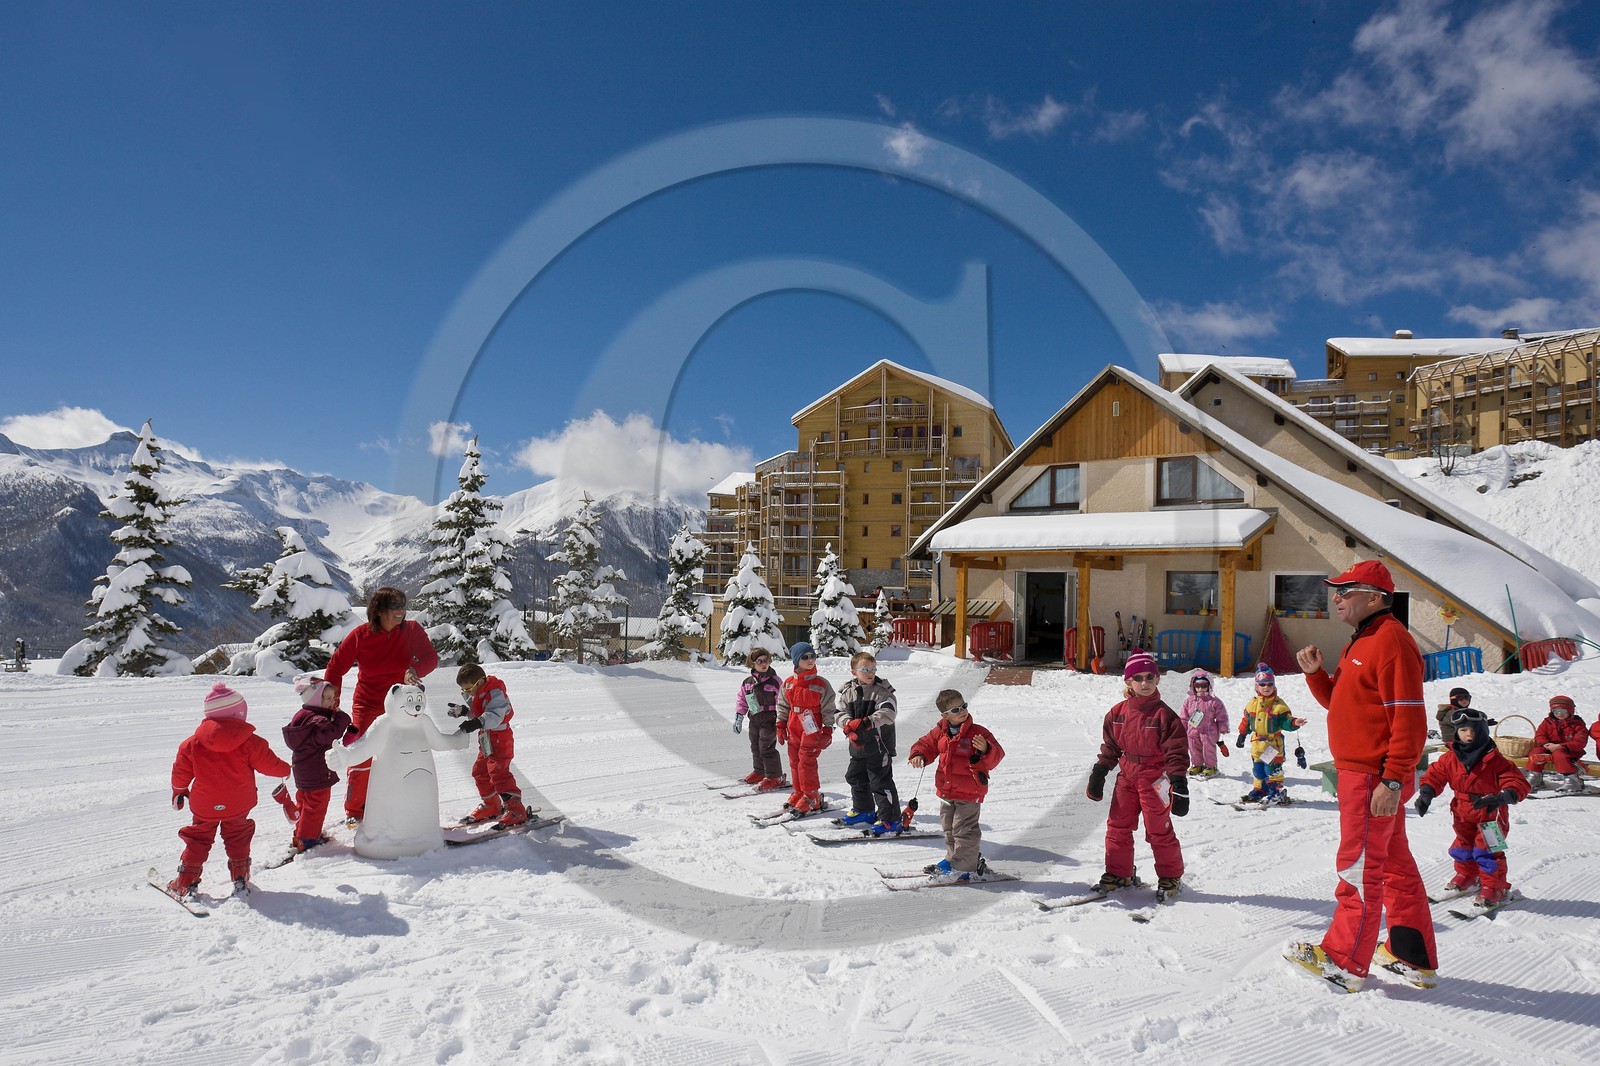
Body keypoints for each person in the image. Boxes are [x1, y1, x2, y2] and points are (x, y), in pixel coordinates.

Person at [1287, 559, 1437, 993]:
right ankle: (1412, 956)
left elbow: (1409, 720)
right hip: (1365, 774)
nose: (1336, 597)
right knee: (1394, 867)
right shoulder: (1364, 640)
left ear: (1374, 598)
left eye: (1346, 590)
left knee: (1359, 867)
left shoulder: (1391, 641)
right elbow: (1345, 706)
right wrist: (1317, 676)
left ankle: (1344, 960)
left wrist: (1392, 781)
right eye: (1336, 590)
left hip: (1373, 778)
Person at [323, 587, 439, 823]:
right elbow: (335, 668)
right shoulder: (360, 635)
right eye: (394, 606)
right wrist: (331, 704)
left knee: (406, 752)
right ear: (378, 610)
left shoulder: (412, 630)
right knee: (360, 755)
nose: (401, 611)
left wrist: (415, 670)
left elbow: (431, 658)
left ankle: (401, 803)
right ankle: (355, 812)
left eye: (403, 606)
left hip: (401, 707)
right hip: (367, 704)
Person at [166, 683, 293, 897]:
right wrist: (285, 769)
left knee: (199, 839)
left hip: (205, 805)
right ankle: (241, 878)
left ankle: (185, 881)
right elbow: (268, 763)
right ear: (239, 713)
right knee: (238, 837)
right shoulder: (250, 742)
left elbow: (181, 771)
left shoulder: (193, 743)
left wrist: (179, 791)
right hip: (238, 803)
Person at [1085, 651, 1188, 896]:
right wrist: (1100, 771)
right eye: (1138, 678)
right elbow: (1111, 747)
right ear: (1128, 681)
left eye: (1150, 677)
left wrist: (1179, 782)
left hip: (1155, 778)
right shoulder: (1117, 714)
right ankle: (1119, 873)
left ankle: (1171, 876)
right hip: (1127, 776)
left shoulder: (1165, 716)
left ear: (1157, 679)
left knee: (1158, 829)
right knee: (1117, 826)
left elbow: (1176, 752)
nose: (1145, 683)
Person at [1415, 707, 1530, 915]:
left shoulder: (1495, 760)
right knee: (1463, 845)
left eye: (1473, 731)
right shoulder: (1452, 757)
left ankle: (1495, 888)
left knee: (1487, 851)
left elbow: (1516, 781)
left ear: (1483, 731)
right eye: (1463, 730)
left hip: (1490, 811)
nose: (1468, 735)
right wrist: (1426, 793)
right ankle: (1468, 876)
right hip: (1462, 809)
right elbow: (1436, 775)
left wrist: (1505, 795)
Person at [908, 689, 1004, 882]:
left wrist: (986, 749)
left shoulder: (979, 733)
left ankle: (964, 867)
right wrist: (918, 755)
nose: (962, 711)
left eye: (964, 706)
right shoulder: (940, 731)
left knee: (964, 829)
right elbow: (926, 744)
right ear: (945, 715)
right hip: (946, 789)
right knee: (949, 827)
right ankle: (954, 858)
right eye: (956, 709)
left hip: (969, 790)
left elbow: (996, 756)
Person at [447, 663, 530, 827]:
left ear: (480, 681)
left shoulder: (495, 692)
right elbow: (480, 713)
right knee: (480, 771)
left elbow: (494, 716)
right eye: (464, 691)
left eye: (469, 689)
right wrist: (464, 711)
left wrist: (477, 722)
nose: (468, 693)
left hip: (500, 738)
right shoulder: (479, 692)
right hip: (486, 739)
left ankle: (516, 809)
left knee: (498, 773)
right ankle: (492, 805)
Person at [281, 675, 353, 853]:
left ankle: (300, 833)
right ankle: (307, 840)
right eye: (327, 698)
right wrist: (342, 718)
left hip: (302, 770)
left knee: (303, 803)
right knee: (316, 806)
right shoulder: (319, 720)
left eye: (333, 697)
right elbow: (329, 735)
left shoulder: (301, 715)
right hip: (317, 772)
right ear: (315, 699)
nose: (333, 702)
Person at [834, 650, 902, 833]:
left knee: (880, 782)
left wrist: (866, 722)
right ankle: (864, 810)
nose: (870, 673)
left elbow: (889, 713)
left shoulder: (882, 691)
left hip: (879, 747)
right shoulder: (848, 692)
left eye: (873, 669)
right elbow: (838, 712)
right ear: (854, 672)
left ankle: (891, 819)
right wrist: (847, 724)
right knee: (855, 777)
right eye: (865, 669)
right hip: (858, 746)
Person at [776, 641, 836, 815]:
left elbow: (829, 708)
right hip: (794, 724)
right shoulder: (788, 683)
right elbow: (782, 705)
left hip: (812, 726)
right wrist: (780, 725)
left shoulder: (821, 684)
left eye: (812, 656)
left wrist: (828, 729)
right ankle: (799, 791)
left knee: (806, 760)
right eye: (805, 657)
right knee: (794, 759)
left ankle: (812, 796)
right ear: (796, 661)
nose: (810, 660)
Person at [1235, 664, 1307, 805]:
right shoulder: (1252, 704)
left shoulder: (1279, 705)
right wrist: (1242, 734)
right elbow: (1247, 720)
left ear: (1274, 686)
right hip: (1257, 743)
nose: (1266, 688)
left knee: (1272, 769)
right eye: (1262, 684)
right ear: (1257, 687)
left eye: (1269, 684)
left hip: (1272, 744)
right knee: (1258, 770)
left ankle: (1276, 792)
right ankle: (1260, 789)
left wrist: (1294, 723)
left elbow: (1285, 721)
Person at [733, 647, 785, 790]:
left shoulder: (775, 681)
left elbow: (783, 701)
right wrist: (739, 716)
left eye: (766, 660)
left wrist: (782, 721)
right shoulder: (747, 682)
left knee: (766, 747)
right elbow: (742, 699)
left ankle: (774, 776)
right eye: (759, 661)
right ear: (752, 663)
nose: (764, 663)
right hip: (754, 718)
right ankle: (760, 771)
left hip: (770, 718)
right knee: (755, 746)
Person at [1526, 695, 1589, 793]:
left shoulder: (1577, 724)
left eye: (1563, 711)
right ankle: (1535, 776)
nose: (1559, 714)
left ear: (1570, 711)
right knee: (1536, 752)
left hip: (1569, 751)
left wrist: (1560, 746)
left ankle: (1572, 780)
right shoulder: (1547, 722)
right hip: (1549, 748)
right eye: (1556, 711)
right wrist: (1545, 743)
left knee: (1559, 755)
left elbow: (1580, 742)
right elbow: (1540, 734)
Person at [1180, 669, 1228, 777]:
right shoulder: (1189, 701)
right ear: (1193, 686)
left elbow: (1222, 716)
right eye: (1197, 686)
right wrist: (1182, 727)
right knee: (1193, 748)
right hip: (1192, 730)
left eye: (1203, 685)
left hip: (1208, 730)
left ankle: (1210, 766)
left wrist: (1223, 727)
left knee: (1208, 748)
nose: (1200, 688)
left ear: (1209, 685)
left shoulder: (1214, 701)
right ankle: (1197, 765)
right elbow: (1184, 716)